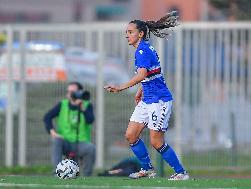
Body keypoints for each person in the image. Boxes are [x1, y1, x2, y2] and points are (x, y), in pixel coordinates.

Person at [104, 11, 189, 180]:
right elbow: (152, 74)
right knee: (131, 135)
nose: (127, 35)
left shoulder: (142, 51)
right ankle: (148, 169)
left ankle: (181, 172)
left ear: (140, 34)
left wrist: (120, 87)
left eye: (130, 32)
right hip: (147, 99)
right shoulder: (144, 49)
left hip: (159, 100)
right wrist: (141, 90)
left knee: (156, 142)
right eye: (126, 32)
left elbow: (142, 74)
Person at [43, 81, 95, 176]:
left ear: (79, 92)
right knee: (56, 140)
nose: (70, 94)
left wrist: (82, 108)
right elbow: (47, 117)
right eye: (68, 91)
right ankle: (57, 172)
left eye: (73, 91)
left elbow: (90, 120)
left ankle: (87, 176)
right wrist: (52, 132)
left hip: (81, 143)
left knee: (91, 148)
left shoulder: (87, 105)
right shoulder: (62, 104)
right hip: (65, 141)